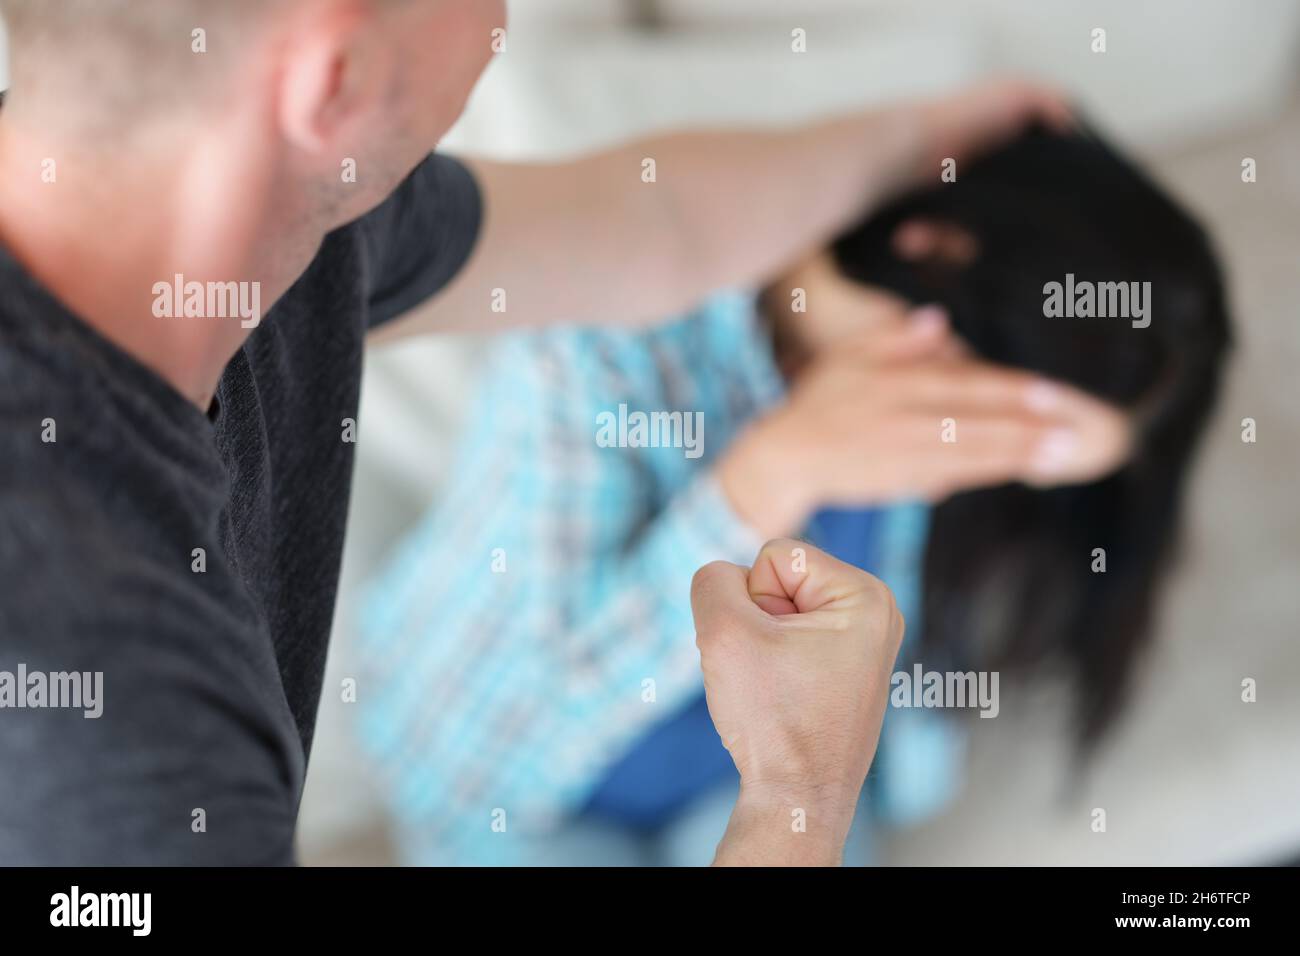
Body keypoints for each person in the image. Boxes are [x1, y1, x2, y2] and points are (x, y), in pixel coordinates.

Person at [0, 0, 1069, 865]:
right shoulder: (104, 735)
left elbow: (652, 224)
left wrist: (927, 141)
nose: (506, 21)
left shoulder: (268, 212)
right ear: (337, 78)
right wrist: (799, 795)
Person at [356, 126, 1229, 865]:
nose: (986, 467)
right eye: (1007, 429)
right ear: (937, 254)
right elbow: (484, 754)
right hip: (536, 811)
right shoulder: (599, 359)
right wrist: (768, 476)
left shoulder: (945, 436)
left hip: (745, 792)